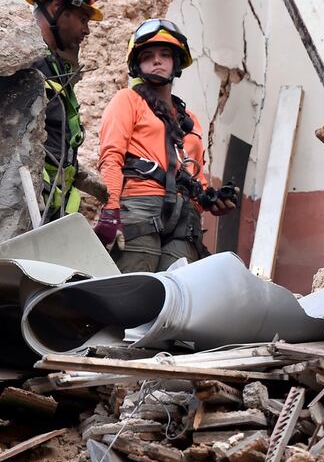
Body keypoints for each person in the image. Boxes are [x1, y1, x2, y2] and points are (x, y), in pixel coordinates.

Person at [95, 18, 237, 272]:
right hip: (141, 208)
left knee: (178, 298)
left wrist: (212, 201)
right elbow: (111, 157)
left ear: (176, 63)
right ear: (137, 65)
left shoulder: (189, 120)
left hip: (185, 221)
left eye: (165, 54)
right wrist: (111, 209)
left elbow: (196, 179)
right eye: (148, 55)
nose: (157, 60)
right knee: (137, 293)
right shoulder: (127, 100)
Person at [26, 0, 108, 221]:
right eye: (83, 18)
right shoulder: (22, 66)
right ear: (56, 6)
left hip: (50, 211)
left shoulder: (55, 68)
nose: (87, 30)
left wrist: (76, 172)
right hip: (26, 208)